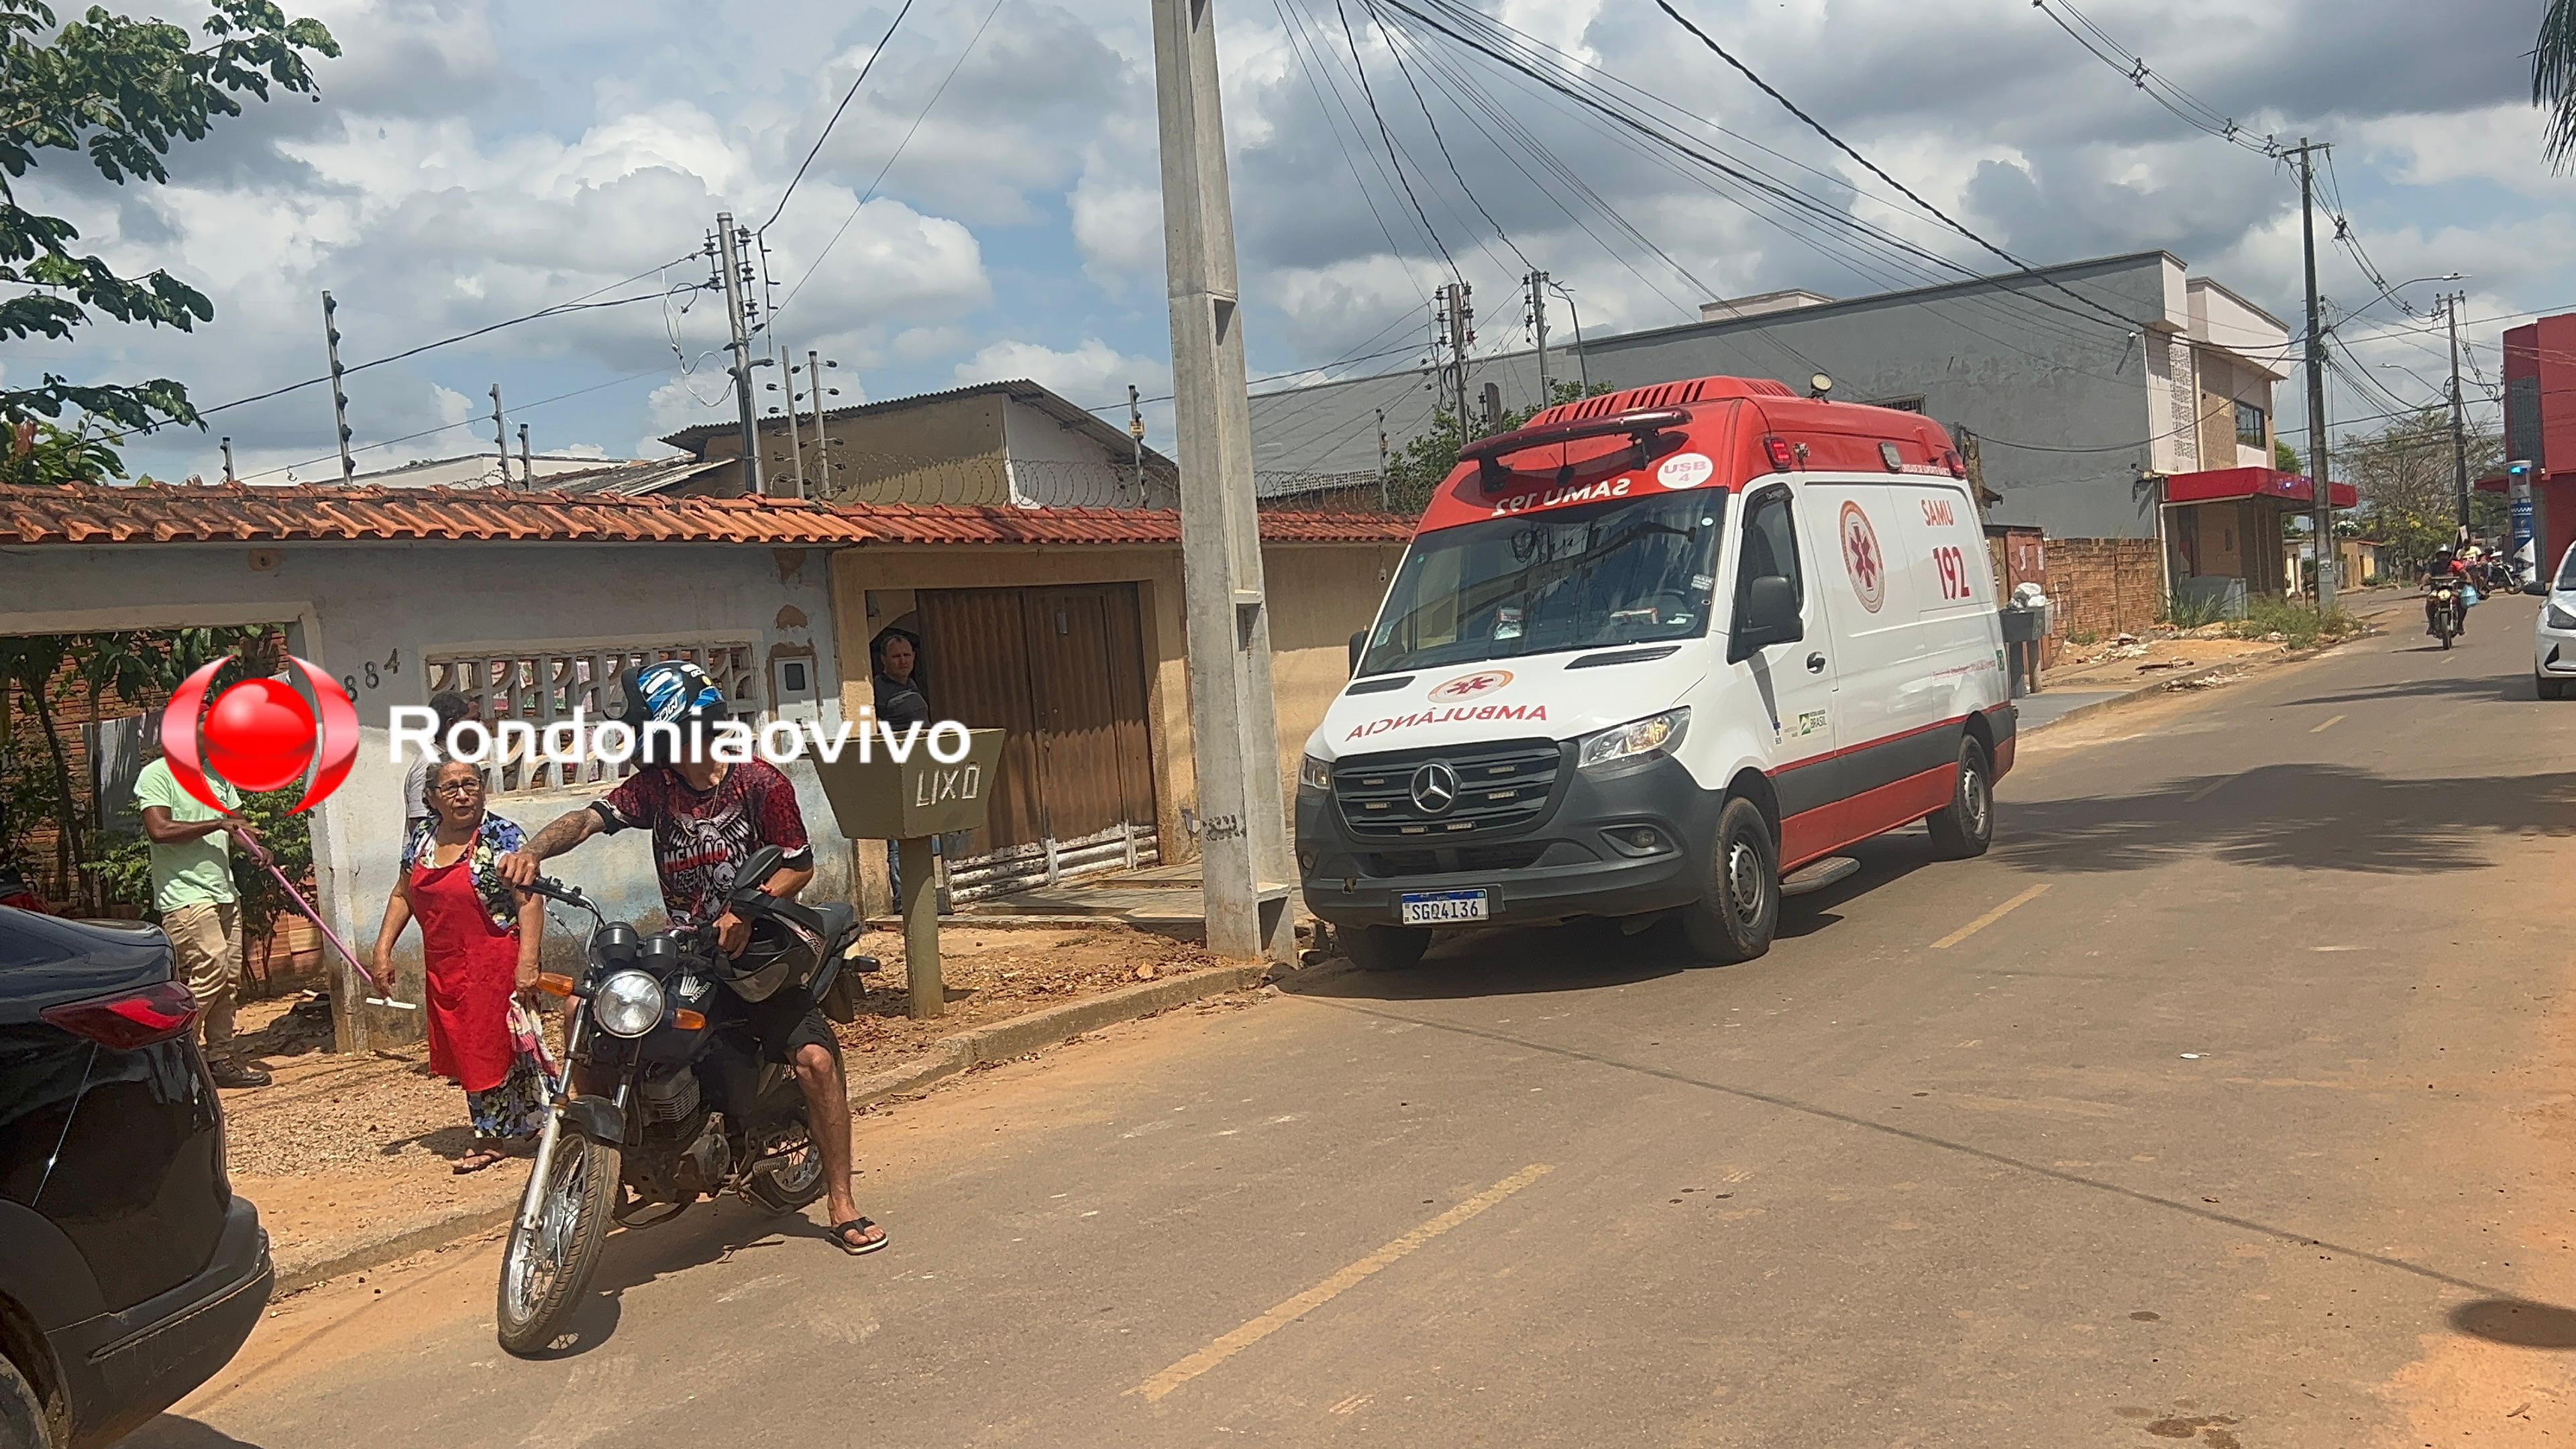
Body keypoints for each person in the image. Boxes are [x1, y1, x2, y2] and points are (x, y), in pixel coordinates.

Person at [497, 659, 885, 1256]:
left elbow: (799, 865)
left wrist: (748, 909)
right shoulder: (658, 788)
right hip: (685, 946)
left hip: (755, 949)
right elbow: (589, 819)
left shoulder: (760, 783)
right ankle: (602, 1158)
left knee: (816, 1062)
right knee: (600, 1015)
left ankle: (842, 1201)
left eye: (647, 728)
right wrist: (534, 851)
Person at [370, 759, 551, 1173]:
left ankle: (493, 1136)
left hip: (495, 960)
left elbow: (529, 900)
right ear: (431, 797)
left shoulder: (501, 836)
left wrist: (529, 962)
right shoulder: (421, 839)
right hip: (445, 963)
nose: (462, 794)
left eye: (470, 784)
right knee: (470, 1050)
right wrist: (383, 950)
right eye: (450, 787)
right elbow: (403, 895)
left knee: (502, 1045)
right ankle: (528, 1124)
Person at [134, 720, 270, 1088]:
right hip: (184, 895)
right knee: (212, 967)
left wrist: (256, 847)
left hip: (224, 891)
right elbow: (159, 831)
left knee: (228, 979)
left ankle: (220, 1058)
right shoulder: (157, 774)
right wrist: (217, 823)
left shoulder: (217, 777)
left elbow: (237, 824)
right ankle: (176, 1050)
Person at [402, 691, 478, 837]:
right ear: (452, 725)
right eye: (474, 720)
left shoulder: (460, 761)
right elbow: (419, 824)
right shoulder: (429, 763)